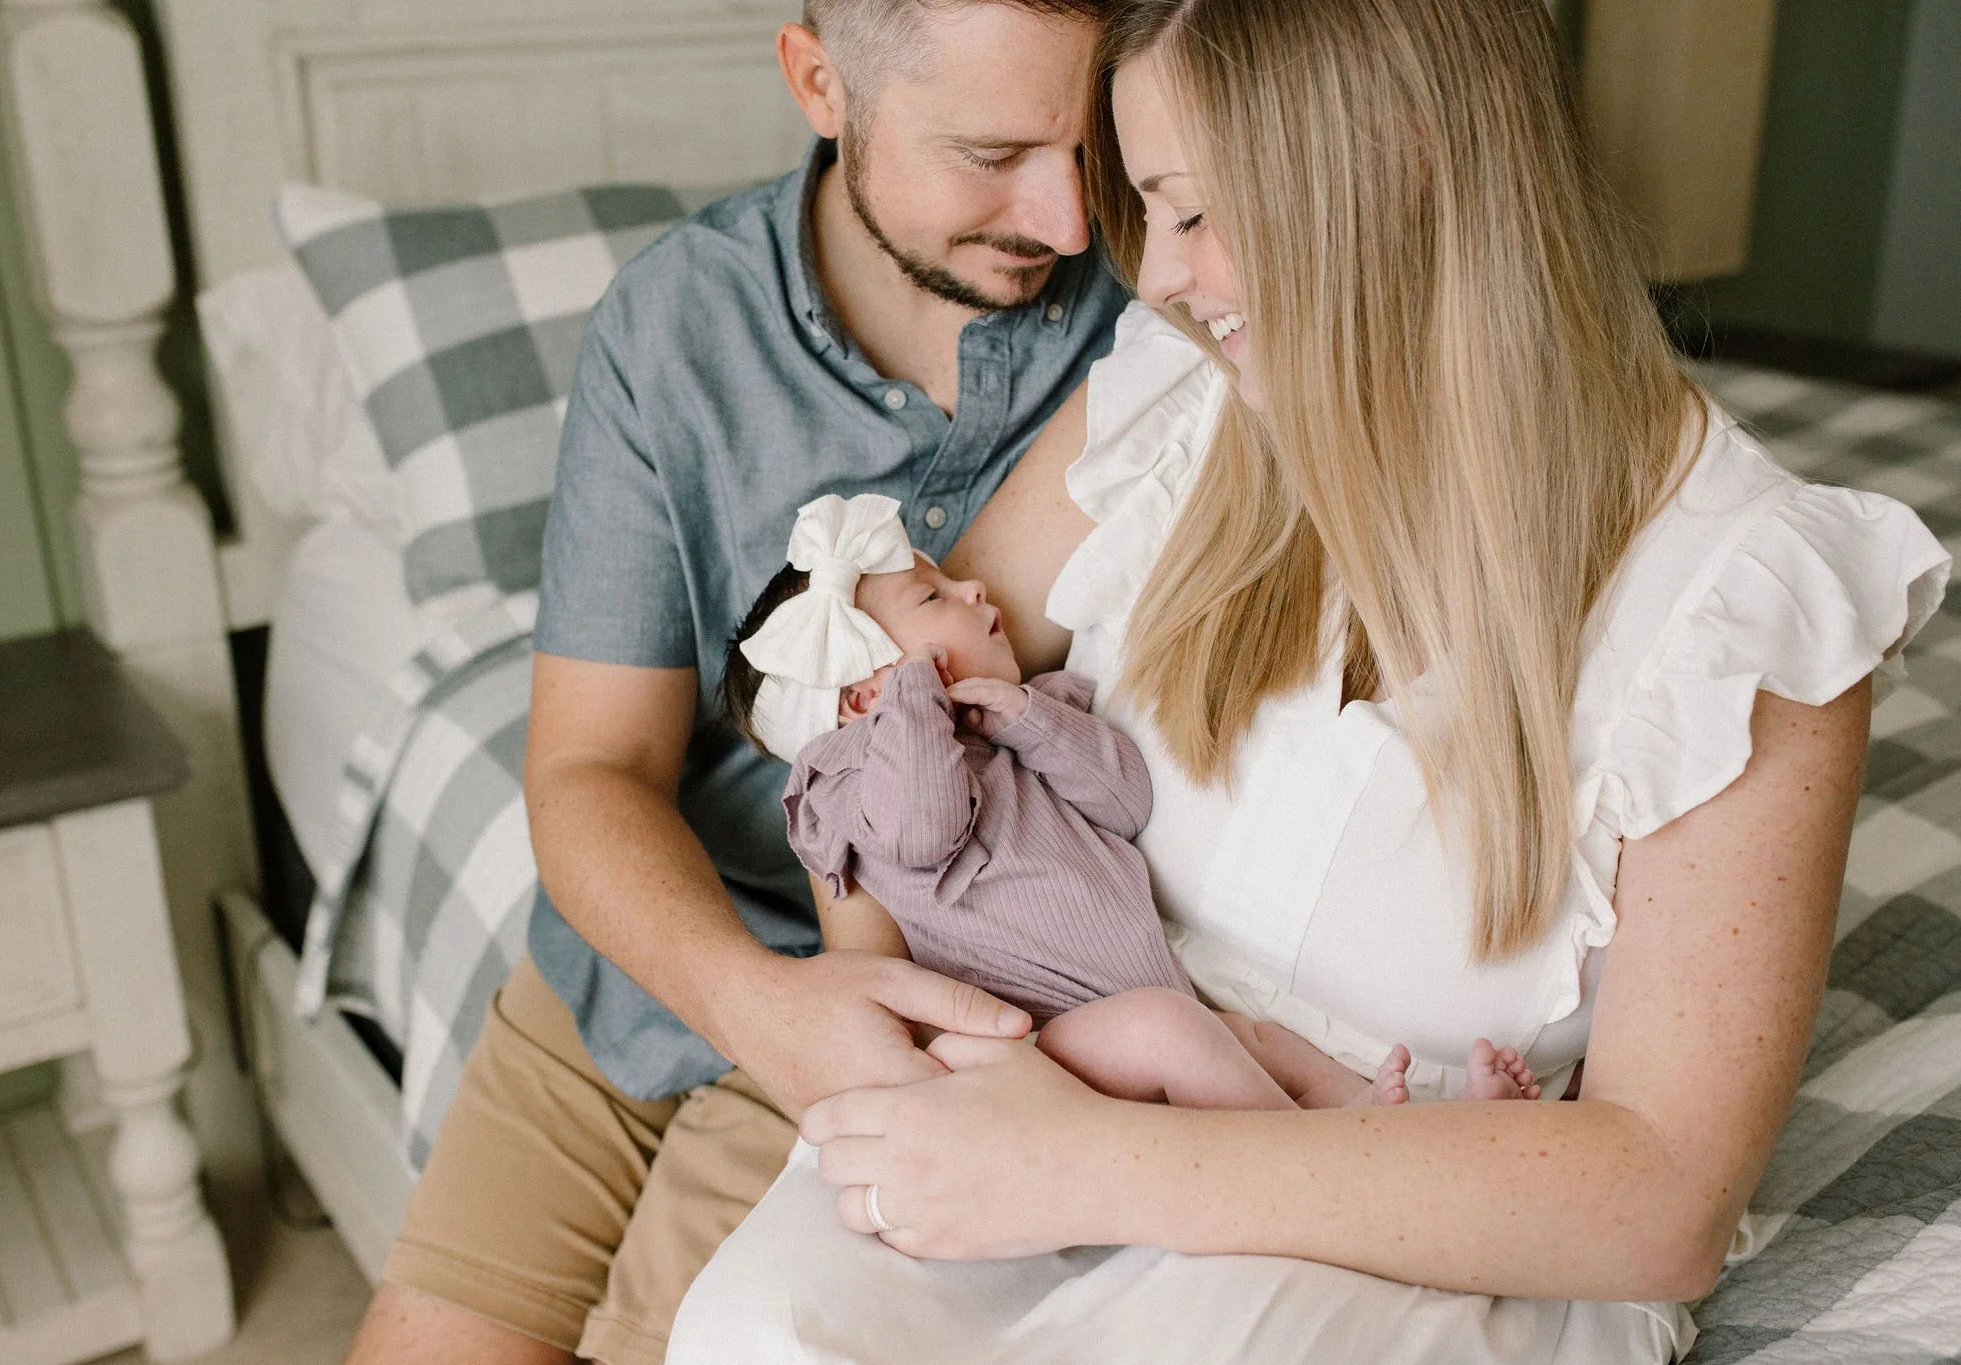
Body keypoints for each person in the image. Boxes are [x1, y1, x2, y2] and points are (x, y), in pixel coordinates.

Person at [665, 0, 1952, 1360]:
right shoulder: (1183, 411)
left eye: (1193, 210)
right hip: (1053, 1084)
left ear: (1392, 169)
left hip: (1418, 1219)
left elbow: (1666, 1200)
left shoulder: (1750, 599)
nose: (1155, 274)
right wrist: (906, 1020)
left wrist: (1091, 1162)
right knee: (762, 1324)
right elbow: (862, 688)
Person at [342, 4, 1132, 1364]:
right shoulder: (674, 326)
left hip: (912, 977)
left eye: (1091, 145)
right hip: (639, 959)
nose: (1066, 216)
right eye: (993, 152)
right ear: (820, 81)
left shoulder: (1157, 294)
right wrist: (752, 1003)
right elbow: (590, 770)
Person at [726, 492, 1537, 1110]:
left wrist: (1031, 719)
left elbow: (1125, 798)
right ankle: (1334, 1155)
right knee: (1172, 1031)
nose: (973, 587)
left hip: (1142, 991)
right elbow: (922, 831)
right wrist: (913, 703)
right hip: (1046, 1043)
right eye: (933, 598)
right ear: (864, 695)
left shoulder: (1015, 719)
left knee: (1250, 1036)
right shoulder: (861, 785)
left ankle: (1403, 1124)